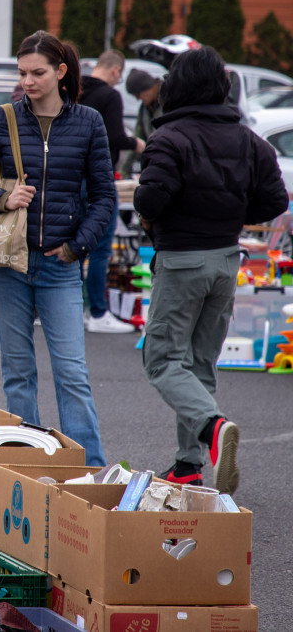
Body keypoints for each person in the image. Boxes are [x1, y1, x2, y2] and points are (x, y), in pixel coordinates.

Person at [0, 31, 116, 467]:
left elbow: (105, 195)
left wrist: (76, 247)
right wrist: (0, 199)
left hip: (58, 265)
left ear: (61, 72)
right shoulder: (1, 118)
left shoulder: (88, 122)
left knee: (72, 374)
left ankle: (89, 469)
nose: (27, 81)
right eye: (22, 72)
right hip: (6, 262)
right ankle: (27, 465)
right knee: (18, 373)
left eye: (37, 72)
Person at [134, 47, 288, 492]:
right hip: (226, 258)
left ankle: (212, 429)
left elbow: (149, 200)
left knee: (162, 358)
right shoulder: (249, 140)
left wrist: (164, 213)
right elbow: (275, 201)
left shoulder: (170, 138)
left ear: (177, 86)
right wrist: (232, 213)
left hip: (182, 259)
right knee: (200, 362)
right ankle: (188, 465)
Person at [77, 50, 143, 334]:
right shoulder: (110, 97)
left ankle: (72, 309)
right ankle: (98, 312)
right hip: (99, 177)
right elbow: (114, 136)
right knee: (101, 247)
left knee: (73, 246)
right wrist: (137, 144)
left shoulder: (74, 90)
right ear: (116, 71)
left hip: (71, 177)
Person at [118, 69, 163, 179]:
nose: (138, 99)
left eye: (138, 94)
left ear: (150, 87)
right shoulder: (144, 109)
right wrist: (123, 172)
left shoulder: (170, 102)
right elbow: (138, 138)